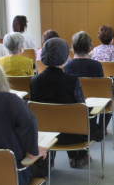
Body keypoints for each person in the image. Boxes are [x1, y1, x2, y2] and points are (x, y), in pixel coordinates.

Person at [30, 38, 103, 168]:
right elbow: (81, 109)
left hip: (44, 134)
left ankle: (48, 159)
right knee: (85, 119)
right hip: (71, 135)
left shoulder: (34, 80)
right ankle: (79, 156)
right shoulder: (72, 81)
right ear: (64, 57)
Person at [64, 31, 109, 134]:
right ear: (90, 48)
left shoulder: (67, 66)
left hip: (74, 104)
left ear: (73, 48)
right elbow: (101, 86)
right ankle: (101, 128)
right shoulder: (96, 65)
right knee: (110, 96)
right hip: (94, 103)